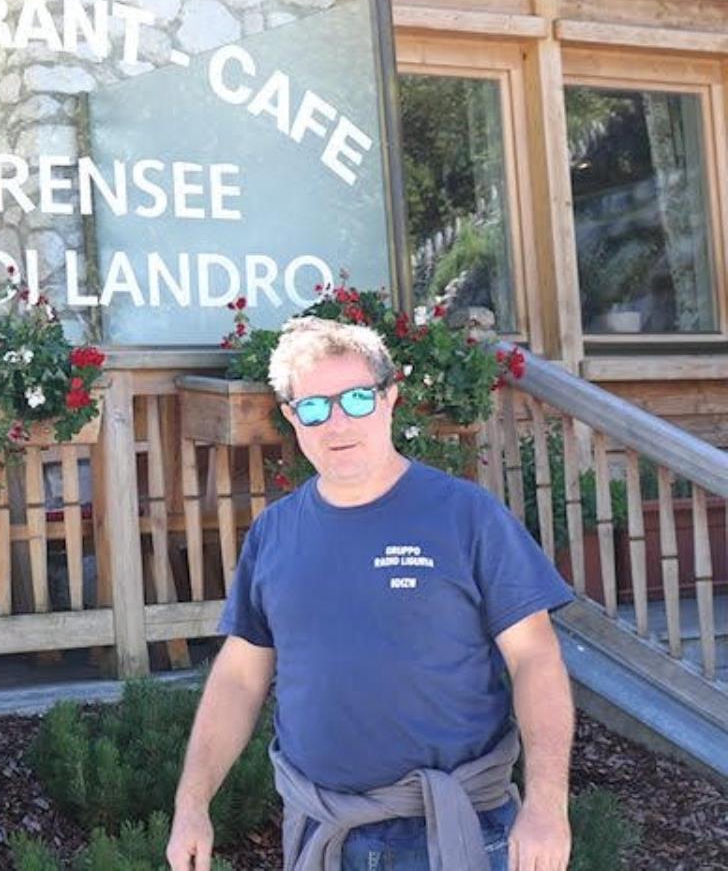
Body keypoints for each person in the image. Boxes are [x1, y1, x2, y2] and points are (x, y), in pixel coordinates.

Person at [167, 317, 574, 871]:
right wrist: (192, 805)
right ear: (292, 416)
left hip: (456, 833)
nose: (337, 422)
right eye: (315, 407)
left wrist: (547, 806)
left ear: (389, 398)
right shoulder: (273, 533)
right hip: (324, 833)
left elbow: (535, 658)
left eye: (356, 399)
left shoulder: (467, 516)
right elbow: (239, 678)